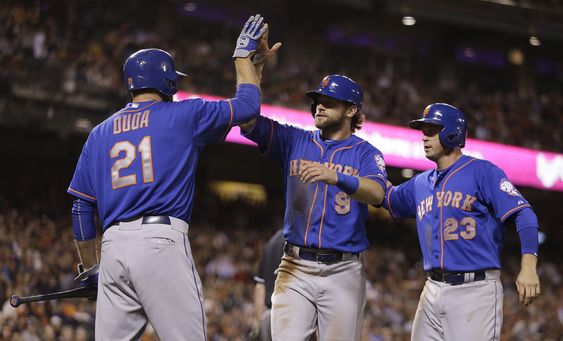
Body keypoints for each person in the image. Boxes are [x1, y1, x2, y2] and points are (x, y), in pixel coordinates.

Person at [67, 14, 268, 340]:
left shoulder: (99, 133)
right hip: (159, 242)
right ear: (168, 82)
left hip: (114, 249)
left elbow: (81, 209)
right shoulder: (185, 114)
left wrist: (92, 269)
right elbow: (248, 106)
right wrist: (243, 58)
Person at [240, 43, 387, 339]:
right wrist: (252, 67)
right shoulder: (294, 140)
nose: (319, 105)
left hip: (342, 271)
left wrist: (337, 177)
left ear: (351, 110)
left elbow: (377, 193)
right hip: (295, 264)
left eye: (329, 101)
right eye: (318, 100)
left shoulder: (365, 154)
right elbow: (248, 121)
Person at [383, 103, 541, 341]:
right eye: (422, 131)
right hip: (432, 288)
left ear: (452, 132)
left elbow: (524, 215)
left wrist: (528, 268)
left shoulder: (483, 171)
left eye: (431, 130)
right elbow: (385, 197)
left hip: (475, 291)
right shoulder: (420, 183)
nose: (423, 137)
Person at [252, 229, 284, 341]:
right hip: (288, 316)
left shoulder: (271, 242)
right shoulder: (297, 242)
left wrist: (260, 321)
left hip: (268, 316)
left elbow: (260, 287)